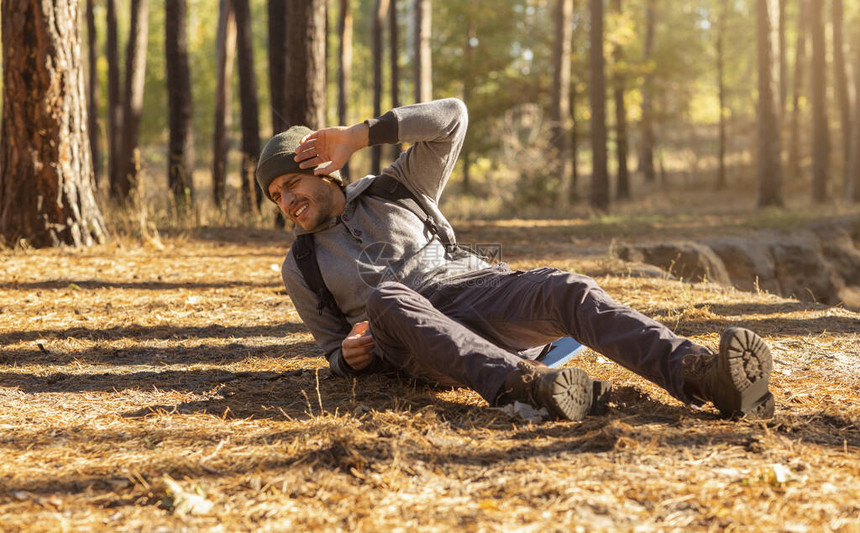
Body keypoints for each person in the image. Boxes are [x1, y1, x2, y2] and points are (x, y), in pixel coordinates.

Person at [255, 98, 775, 421]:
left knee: (565, 288)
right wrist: (348, 354)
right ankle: (530, 389)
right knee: (390, 297)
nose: (286, 200)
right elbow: (332, 352)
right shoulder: (301, 266)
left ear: (325, 170)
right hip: (408, 335)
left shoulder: (396, 187)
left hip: (474, 295)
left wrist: (359, 135)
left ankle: (702, 376)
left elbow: (452, 116)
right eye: (276, 196)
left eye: (291, 183)